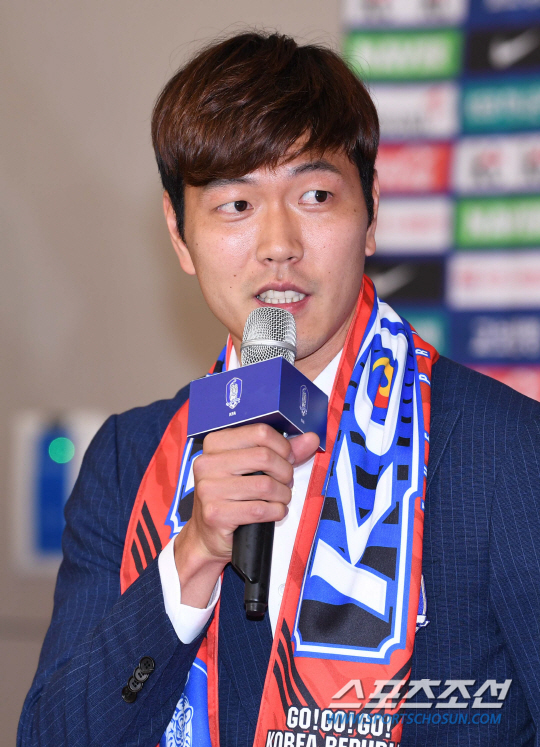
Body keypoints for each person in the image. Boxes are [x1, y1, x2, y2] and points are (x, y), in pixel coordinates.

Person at [18, 32, 540, 747]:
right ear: (179, 234)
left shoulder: (506, 451)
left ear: (371, 213)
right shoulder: (128, 459)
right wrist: (193, 555)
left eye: (315, 195)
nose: (278, 245)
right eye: (236, 204)